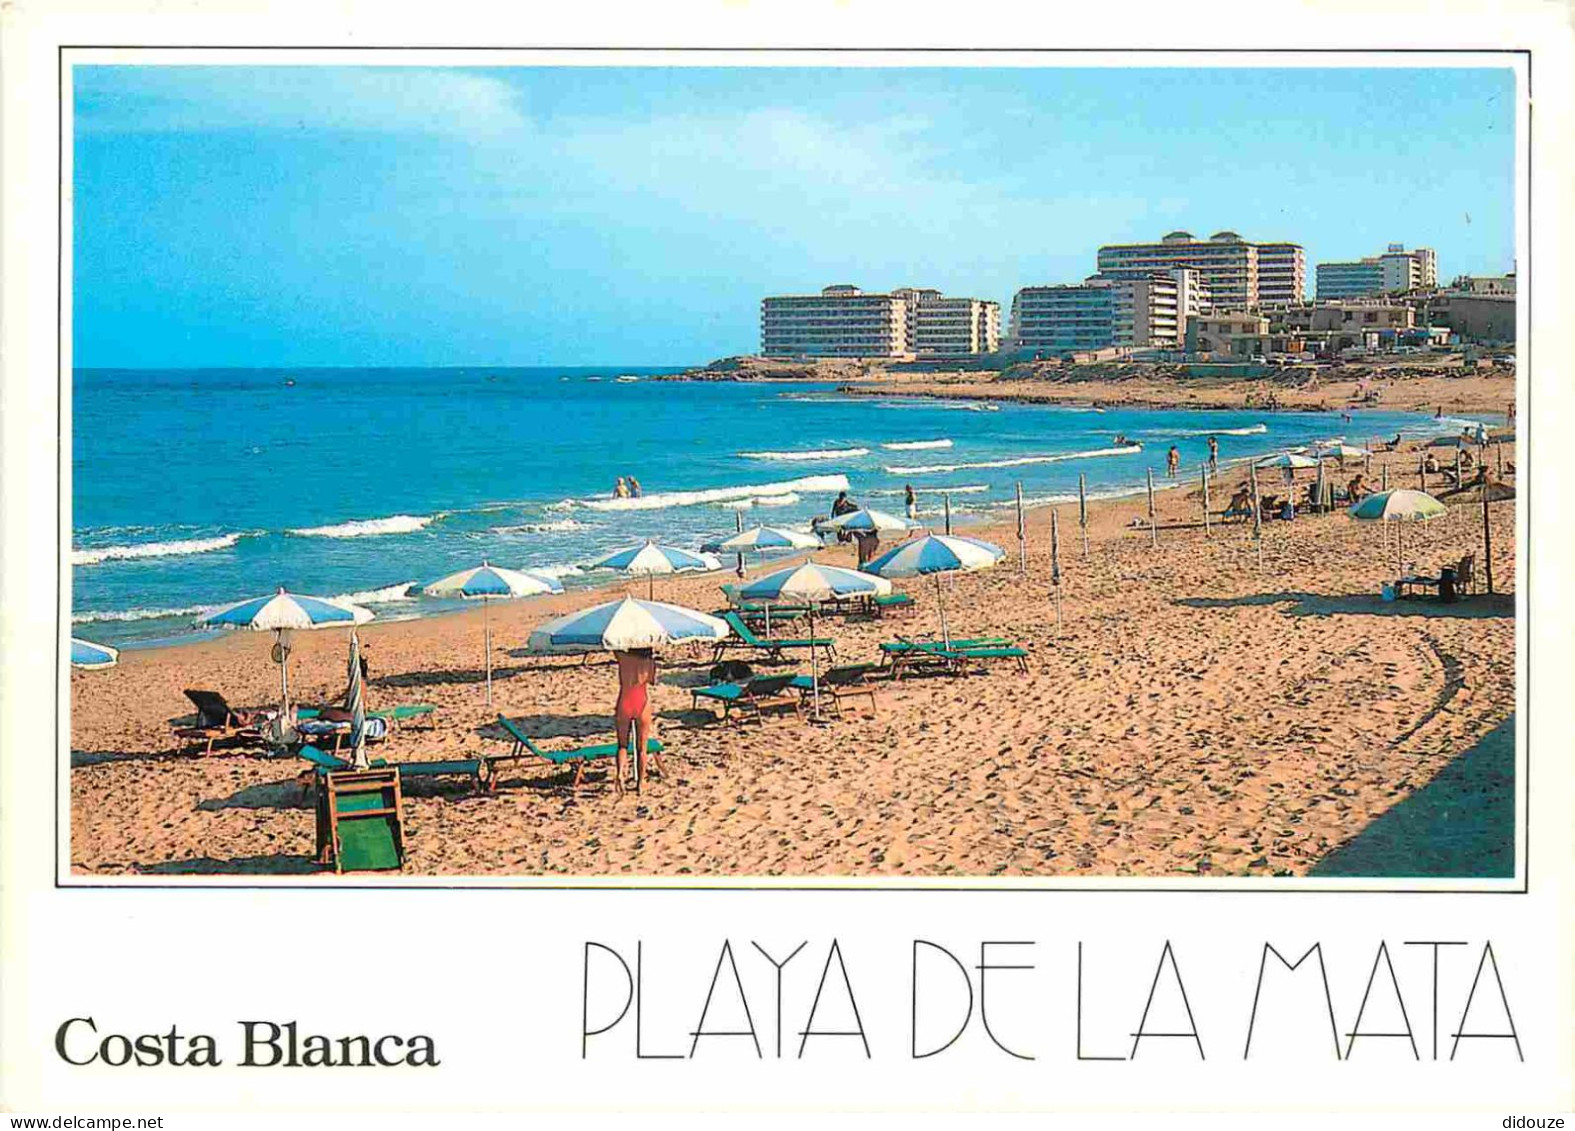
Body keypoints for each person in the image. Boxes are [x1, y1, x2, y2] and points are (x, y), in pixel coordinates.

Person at [612, 648, 659, 795]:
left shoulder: (622, 658)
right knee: (641, 748)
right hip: (642, 701)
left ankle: (620, 774)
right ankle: (641, 782)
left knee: (622, 745)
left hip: (624, 700)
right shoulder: (649, 662)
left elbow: (613, 645)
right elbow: (652, 681)